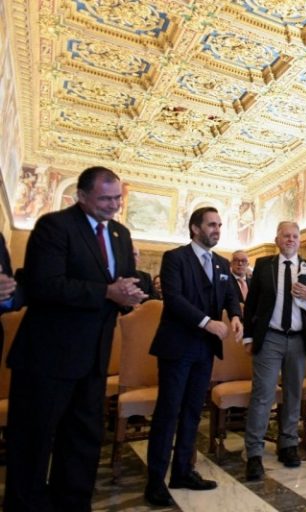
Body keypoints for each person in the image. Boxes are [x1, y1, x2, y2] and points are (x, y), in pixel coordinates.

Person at [4, 166, 146, 512]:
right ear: (81, 196)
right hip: (48, 356)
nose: (114, 205)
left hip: (94, 357)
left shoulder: (121, 234)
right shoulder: (54, 226)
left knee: (83, 440)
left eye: (118, 198)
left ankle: (73, 504)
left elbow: (124, 281)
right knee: (34, 442)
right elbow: (45, 285)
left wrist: (129, 294)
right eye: (105, 198)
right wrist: (108, 292)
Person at [144, 207, 243, 507]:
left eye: (220, 225)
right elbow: (174, 300)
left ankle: (183, 472)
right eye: (211, 225)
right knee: (168, 412)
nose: (217, 230)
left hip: (204, 350)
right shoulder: (175, 258)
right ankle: (155, 481)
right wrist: (207, 322)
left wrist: (235, 316)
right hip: (177, 347)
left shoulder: (221, 263)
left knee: (191, 412)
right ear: (195, 228)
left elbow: (230, 296)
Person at [242, 221, 306, 481]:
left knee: (293, 393)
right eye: (286, 236)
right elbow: (251, 303)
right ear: (277, 240)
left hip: (299, 340)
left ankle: (288, 444)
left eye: (295, 236)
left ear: (300, 241)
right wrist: (247, 335)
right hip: (270, 338)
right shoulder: (264, 265)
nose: (290, 240)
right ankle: (254, 453)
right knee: (263, 395)